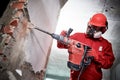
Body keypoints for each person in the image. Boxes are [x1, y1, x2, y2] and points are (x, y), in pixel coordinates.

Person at [57, 13, 115, 80]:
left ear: (103, 29)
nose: (92, 29)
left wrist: (96, 56)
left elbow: (109, 64)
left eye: (96, 27)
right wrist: (61, 38)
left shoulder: (106, 44)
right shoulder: (78, 36)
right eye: (92, 26)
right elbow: (60, 45)